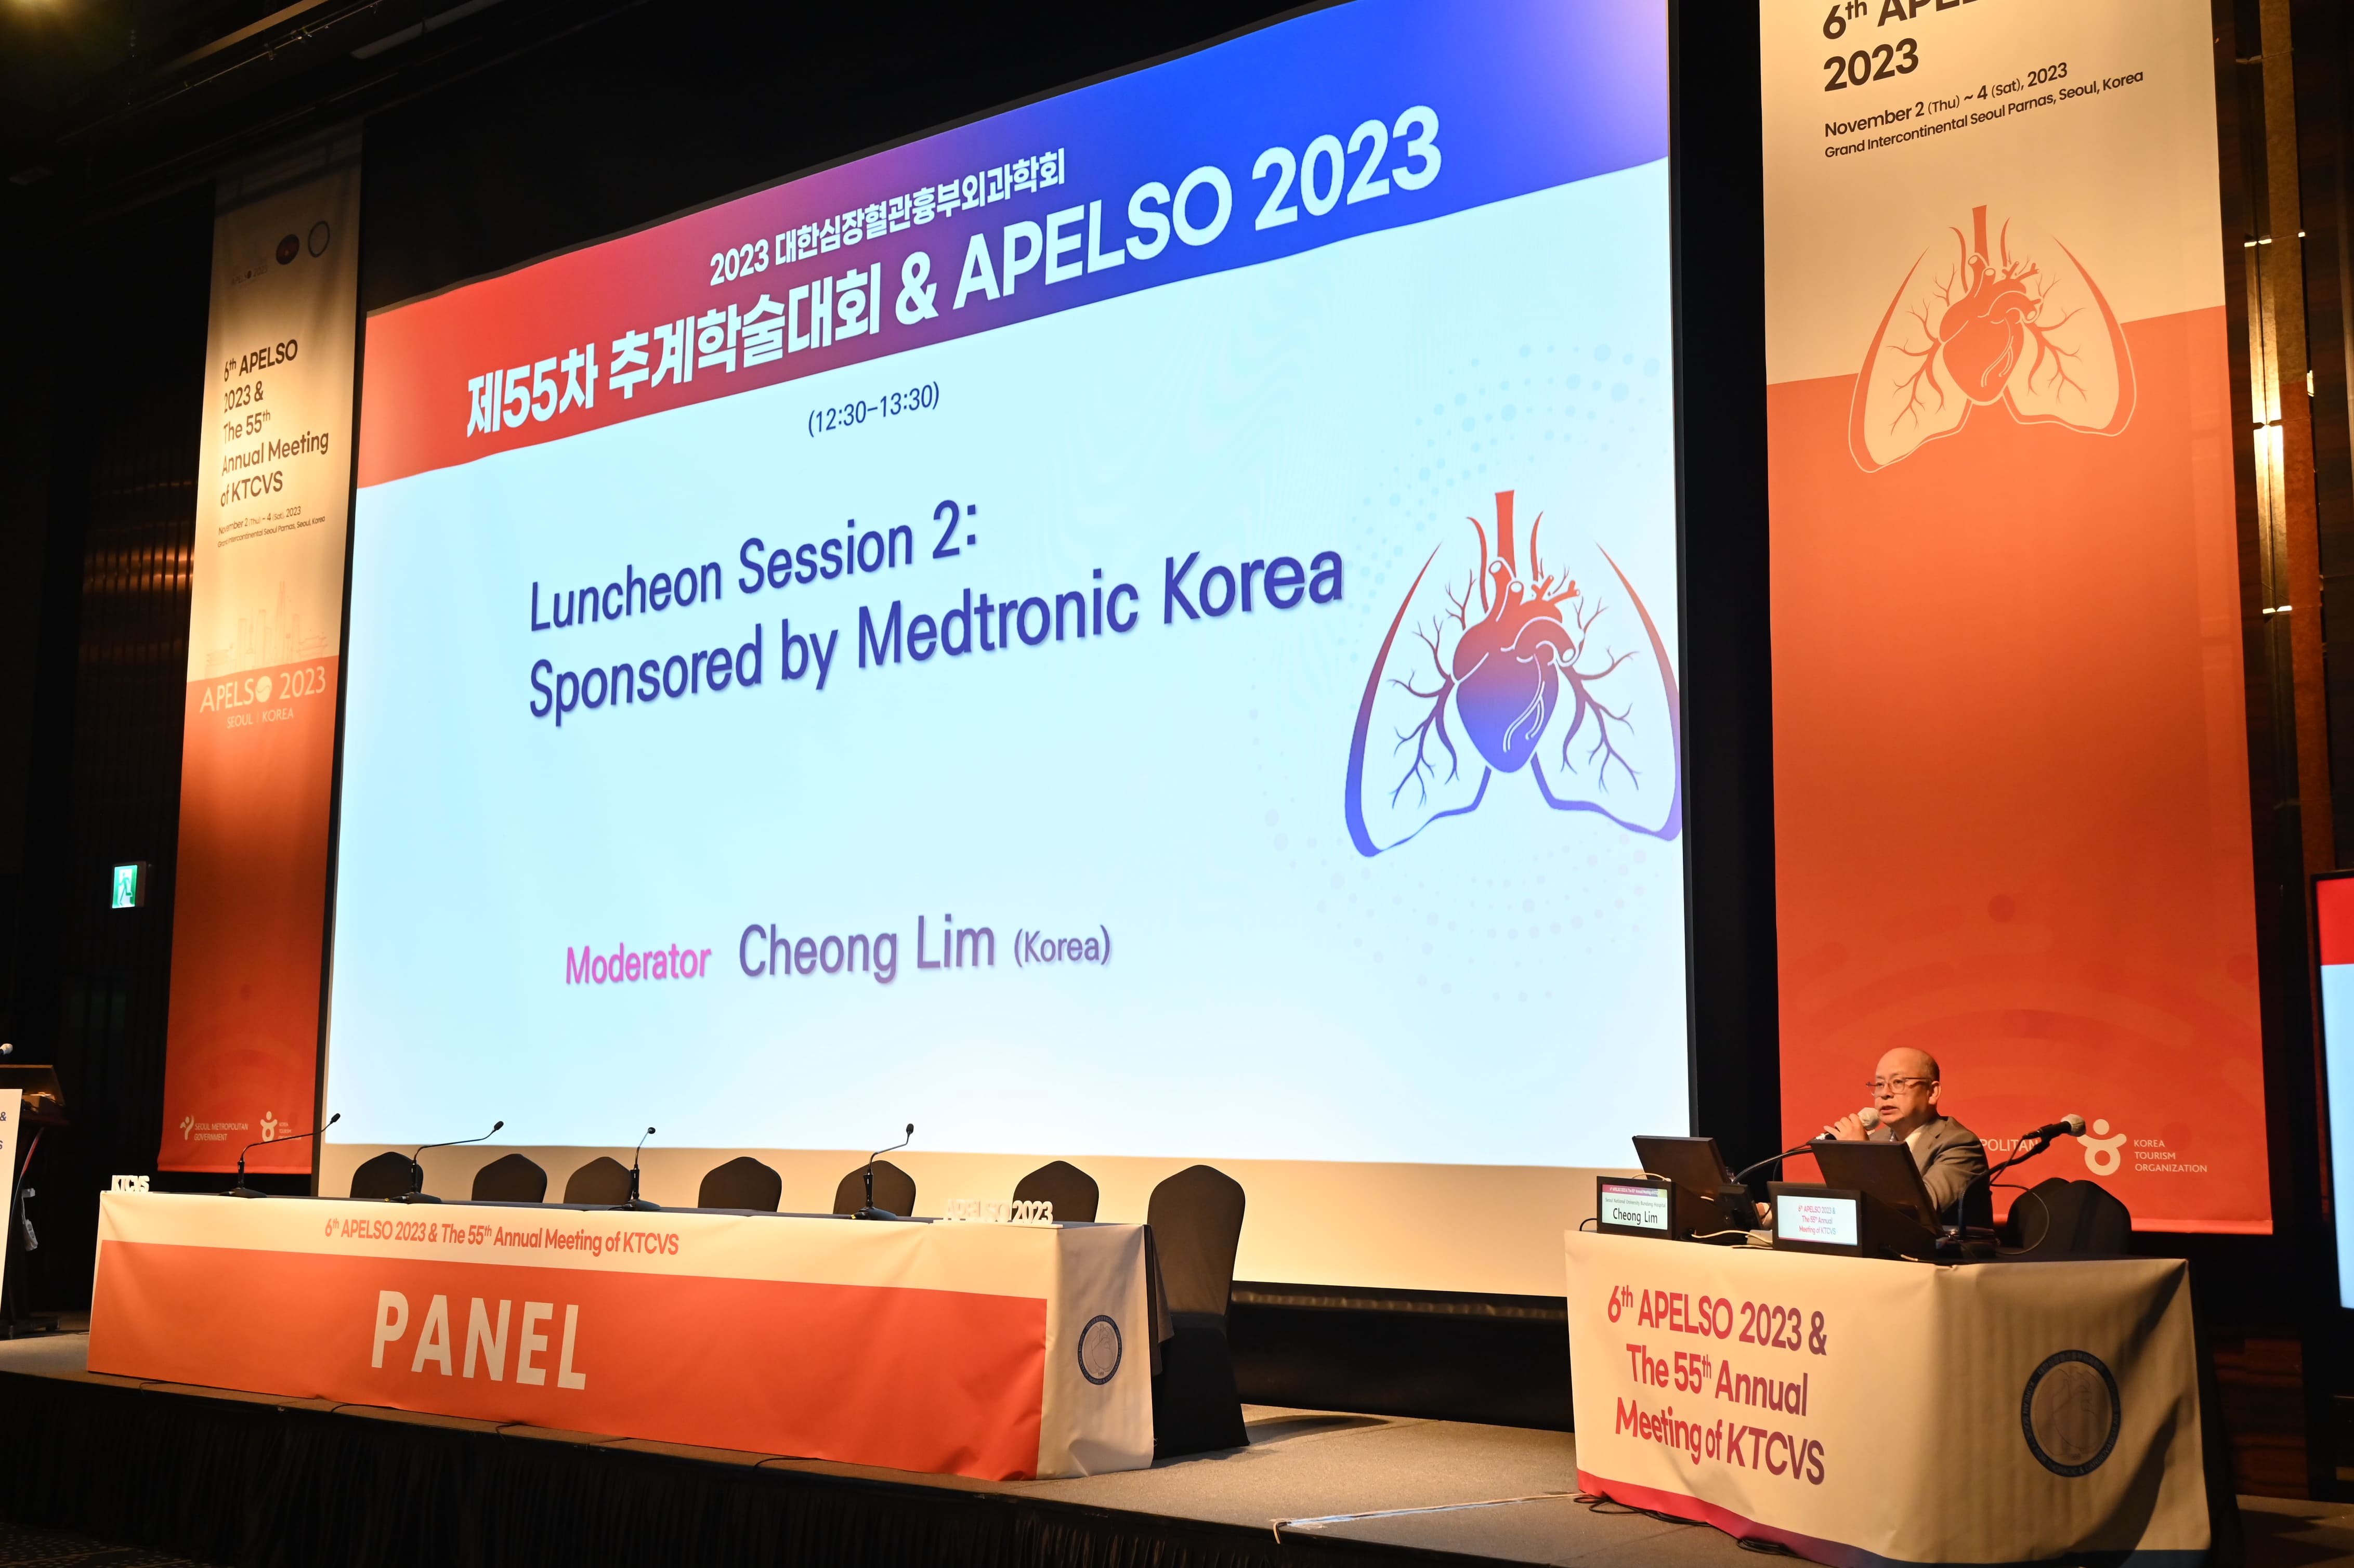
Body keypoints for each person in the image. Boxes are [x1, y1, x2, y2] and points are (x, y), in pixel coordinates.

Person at [1826, 1047, 1989, 1229]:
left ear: (1932, 1092)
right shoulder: (1874, 1141)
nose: (1885, 1093)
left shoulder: (1959, 1144)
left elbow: (1919, 1212)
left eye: (1898, 1082)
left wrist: (1863, 1155)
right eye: (1879, 1084)